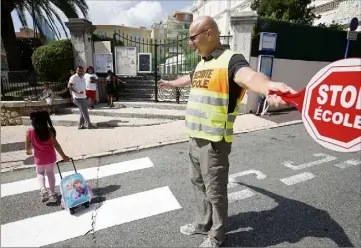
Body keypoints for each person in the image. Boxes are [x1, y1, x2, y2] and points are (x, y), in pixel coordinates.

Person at [158, 16, 296, 247]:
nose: (190, 43)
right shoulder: (204, 63)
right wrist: (172, 84)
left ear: (209, 34)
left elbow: (250, 77)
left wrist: (268, 86)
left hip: (214, 141)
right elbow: (190, 78)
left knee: (215, 190)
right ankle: (203, 223)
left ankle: (217, 234)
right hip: (195, 137)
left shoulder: (231, 60)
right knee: (197, 183)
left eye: (193, 37)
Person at [25, 110, 70, 203]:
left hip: (39, 158)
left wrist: (28, 151)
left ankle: (43, 189)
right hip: (50, 157)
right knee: (50, 173)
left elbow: (27, 145)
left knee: (40, 173)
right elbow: (56, 145)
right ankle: (52, 193)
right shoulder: (50, 131)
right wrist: (64, 156)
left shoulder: (30, 131)